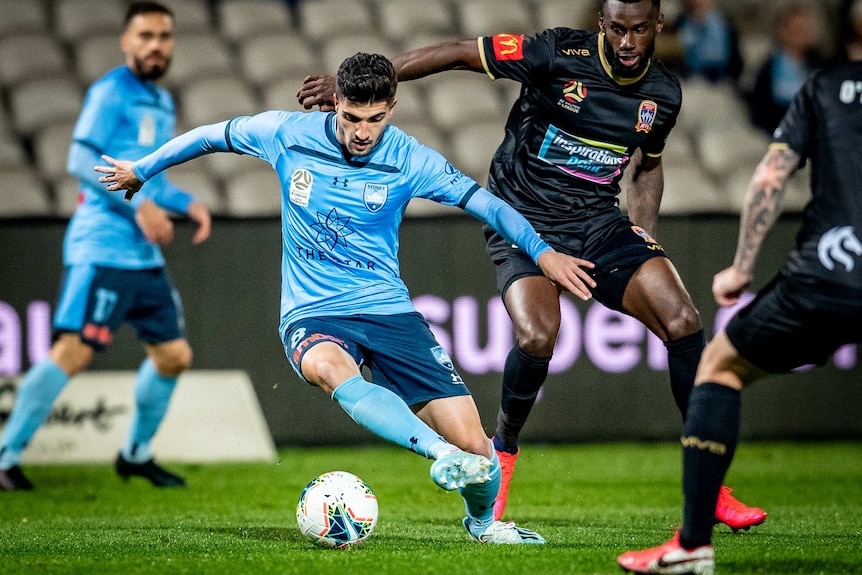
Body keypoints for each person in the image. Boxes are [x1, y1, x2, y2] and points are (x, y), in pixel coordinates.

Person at [296, 0, 766, 530]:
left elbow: (647, 168)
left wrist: (643, 233)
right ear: (602, 24)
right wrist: (356, 83)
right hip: (522, 218)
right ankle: (505, 450)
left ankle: (711, 485)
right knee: (539, 337)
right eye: (617, 29)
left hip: (598, 223)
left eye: (638, 30)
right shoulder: (556, 53)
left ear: (657, 24)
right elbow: (456, 53)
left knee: (684, 322)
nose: (628, 42)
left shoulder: (663, 95)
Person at [95, 52, 597, 544]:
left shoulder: (411, 159)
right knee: (333, 369)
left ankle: (484, 524)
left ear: (392, 108)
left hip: (388, 309)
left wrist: (542, 251)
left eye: (375, 119)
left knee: (479, 452)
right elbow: (210, 136)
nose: (362, 131)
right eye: (352, 117)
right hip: (312, 312)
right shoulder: (287, 134)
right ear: (335, 103)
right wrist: (144, 168)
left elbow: (487, 203)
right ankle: (437, 454)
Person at [617, 60, 862, 574]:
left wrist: (741, 268)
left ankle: (693, 544)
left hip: (832, 271)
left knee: (718, 367)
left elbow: (772, 173)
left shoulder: (827, 85)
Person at [0, 1, 211, 492]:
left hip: (142, 255)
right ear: (125, 41)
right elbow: (77, 157)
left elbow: (144, 178)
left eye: (164, 36)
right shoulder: (111, 91)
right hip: (102, 247)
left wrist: (184, 202)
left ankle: (135, 455)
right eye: (145, 36)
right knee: (72, 353)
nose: (156, 45)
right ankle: (5, 455)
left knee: (174, 355)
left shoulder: (159, 101)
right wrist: (139, 209)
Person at [747, 2, 822, 135]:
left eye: (804, 29)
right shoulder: (768, 70)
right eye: (796, 29)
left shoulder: (817, 66)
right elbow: (759, 115)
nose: (801, 34)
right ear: (783, 31)